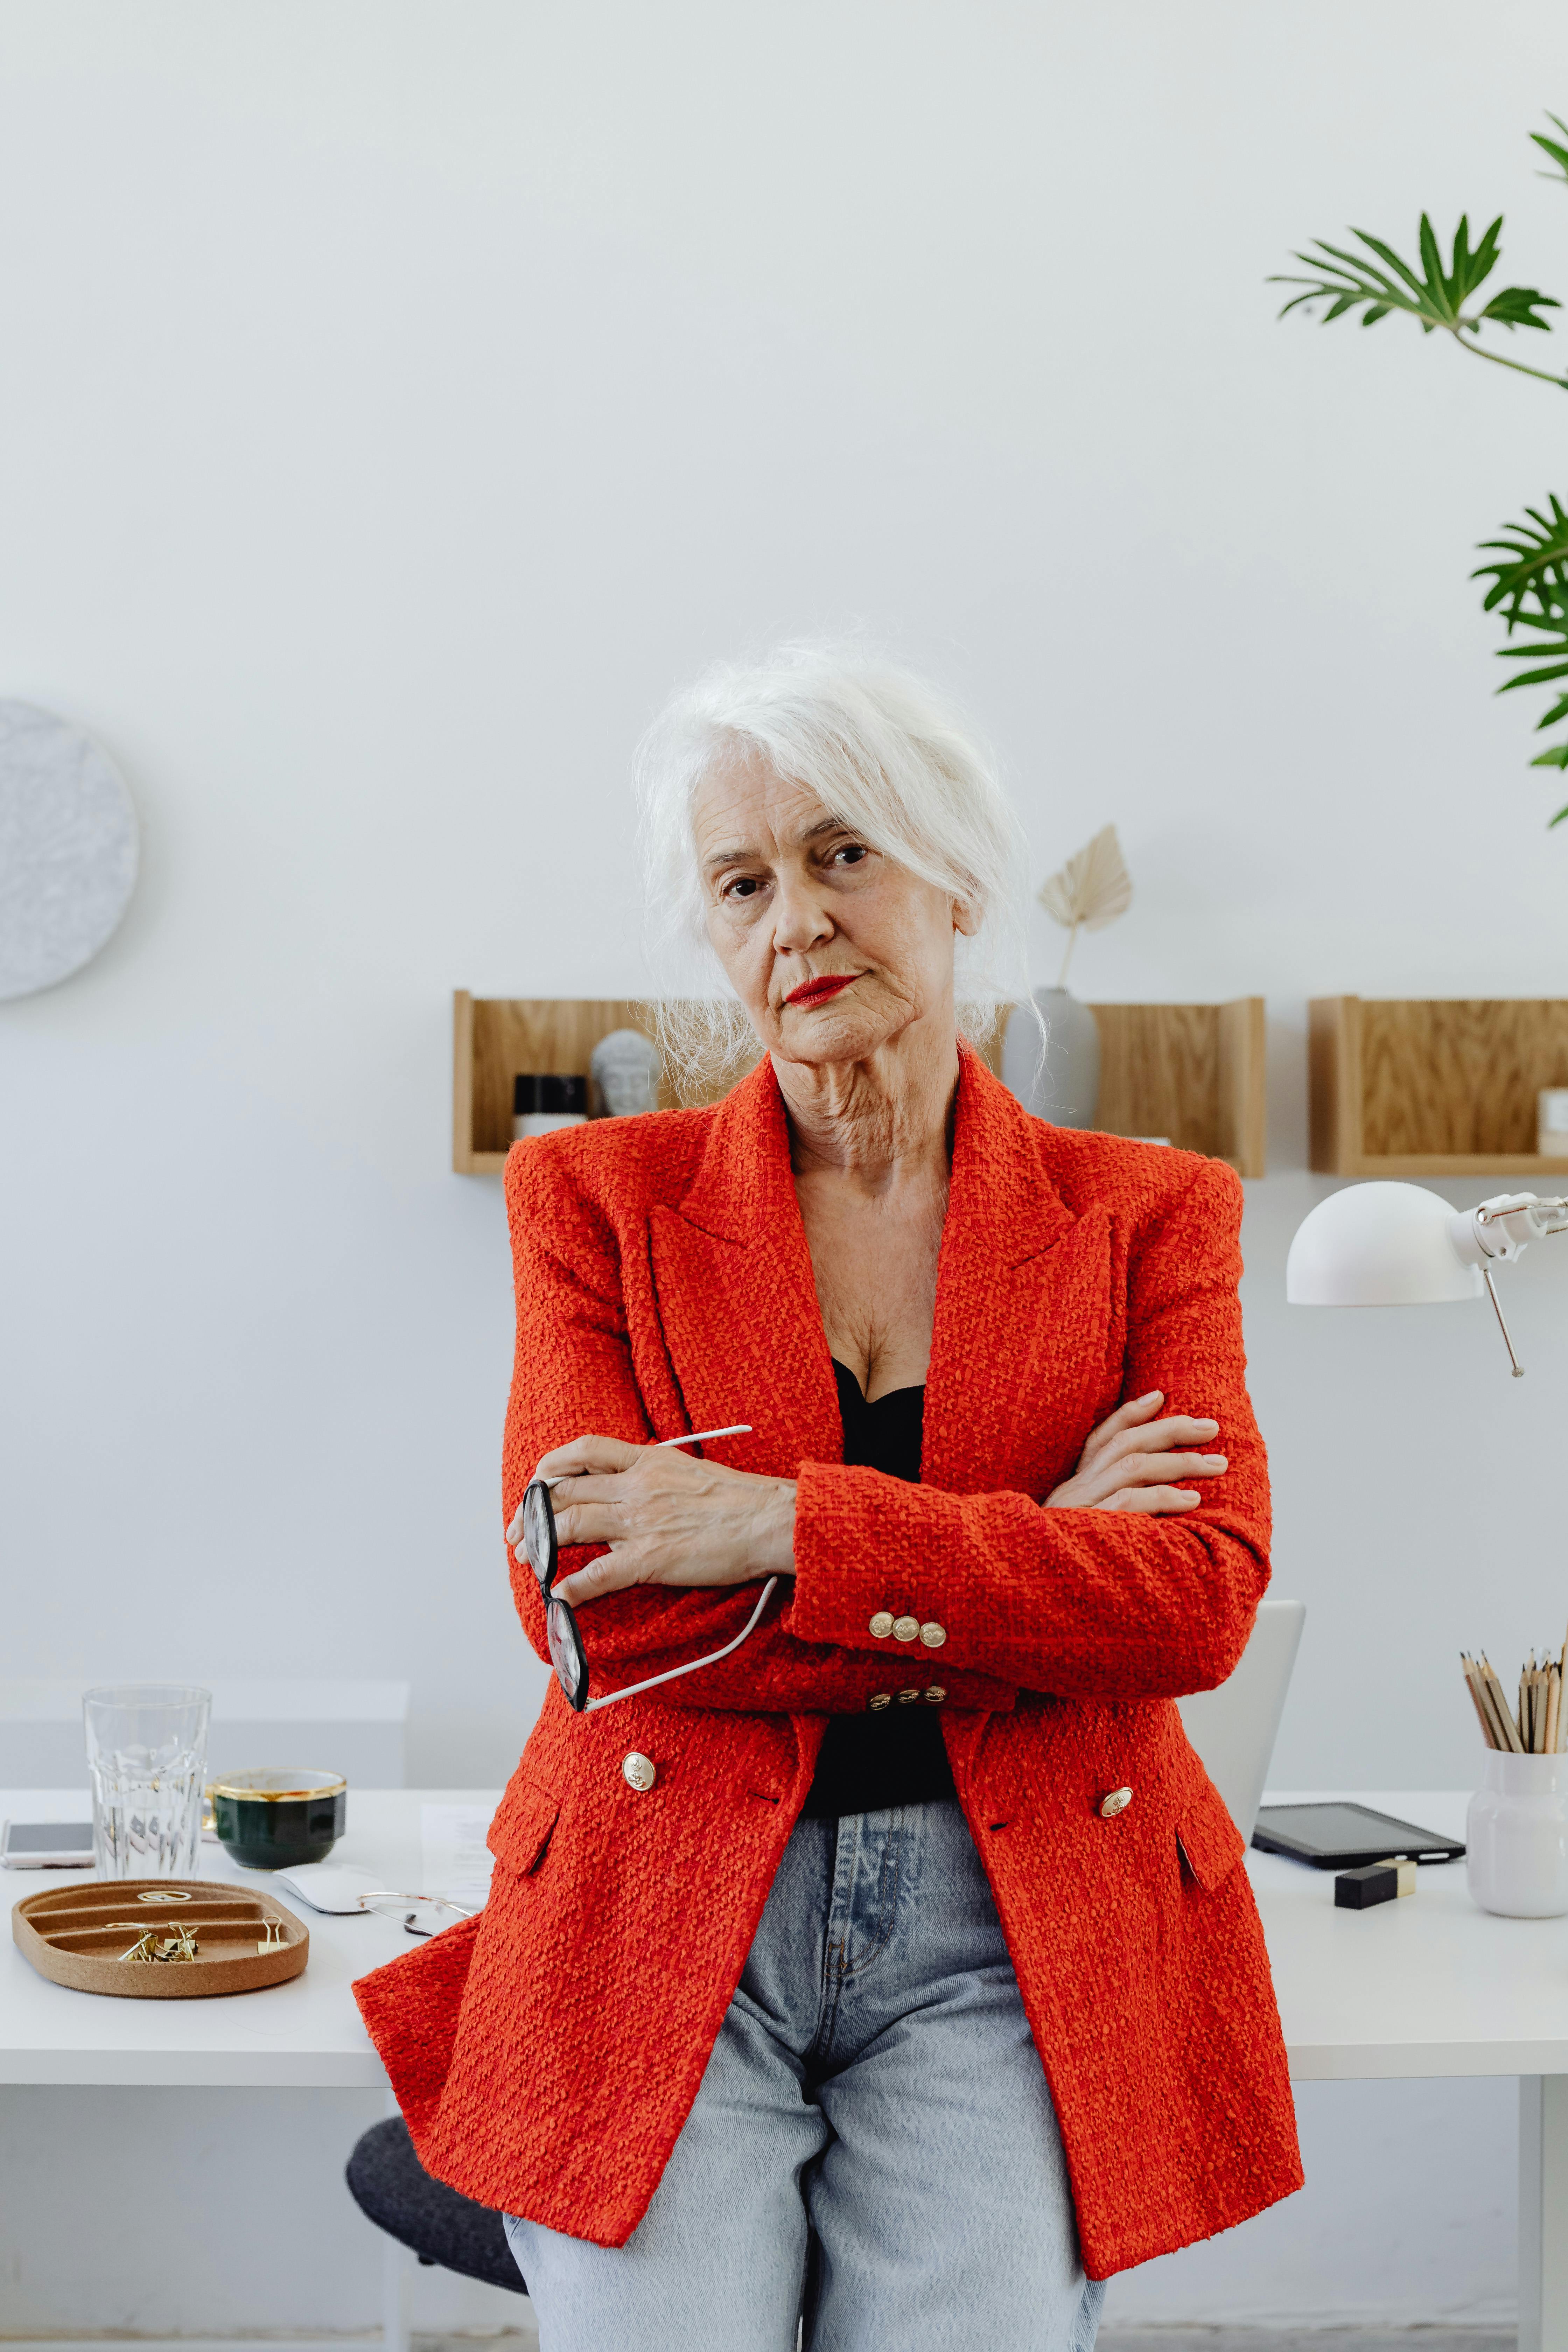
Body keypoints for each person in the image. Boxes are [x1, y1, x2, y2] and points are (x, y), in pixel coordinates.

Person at [354, 646, 1302, 2352]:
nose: (795, 918)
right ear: (715, 935)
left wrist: (770, 1526)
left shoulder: (1149, 1211)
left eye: (841, 853)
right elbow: (592, 1618)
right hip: (663, 1898)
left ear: (952, 877)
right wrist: (1037, 1563)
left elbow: (1198, 1602)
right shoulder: (597, 1195)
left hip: (999, 1931)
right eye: (743, 882)